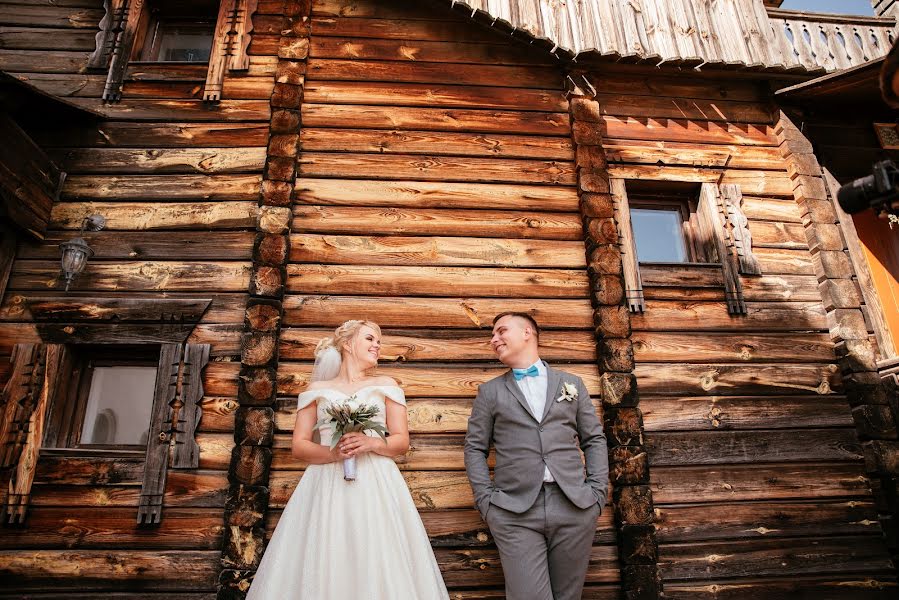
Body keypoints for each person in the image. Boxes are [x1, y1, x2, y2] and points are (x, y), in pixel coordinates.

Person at [246, 320, 449, 599]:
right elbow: (300, 446)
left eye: (378, 340)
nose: (377, 345)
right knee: (328, 549)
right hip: (326, 482)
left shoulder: (386, 385)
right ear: (347, 344)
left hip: (376, 480)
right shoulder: (317, 389)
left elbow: (401, 441)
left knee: (376, 550)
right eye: (369, 338)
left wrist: (372, 442)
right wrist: (333, 453)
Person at [464, 312, 608, 600]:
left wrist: (596, 493)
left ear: (527, 332)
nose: (494, 340)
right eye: (493, 335)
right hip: (514, 511)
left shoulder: (572, 384)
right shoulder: (490, 391)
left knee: (568, 595)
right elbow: (474, 448)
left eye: (501, 331)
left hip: (575, 506)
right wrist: (487, 502)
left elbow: (594, 439)